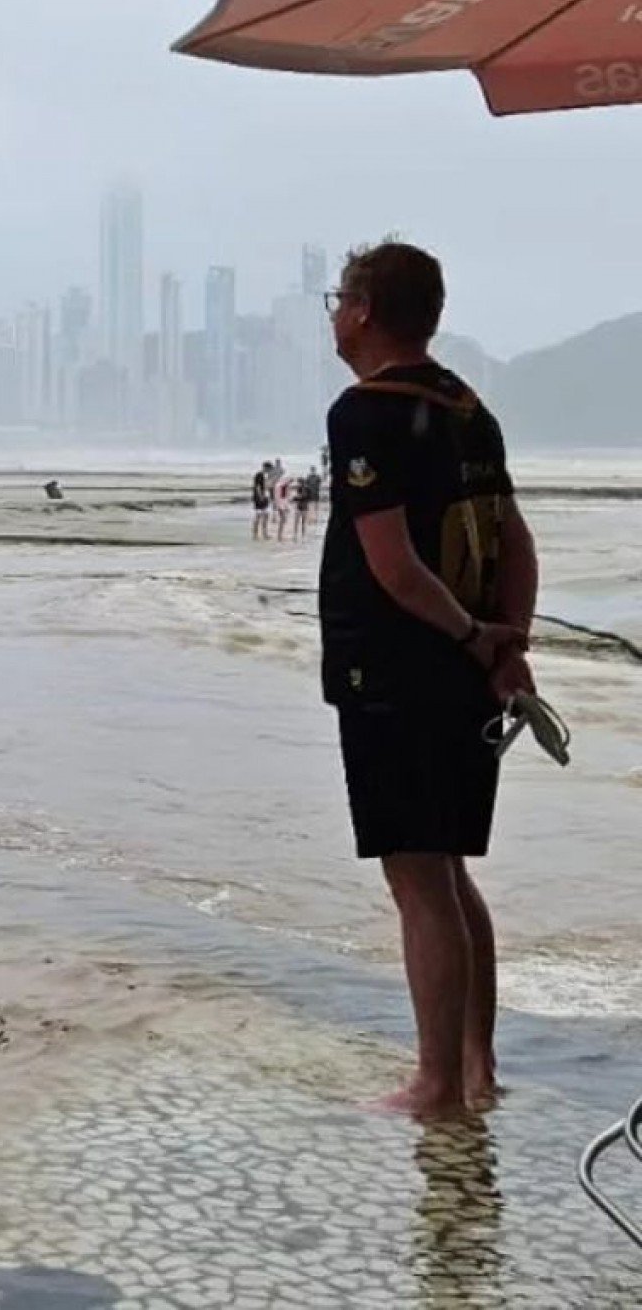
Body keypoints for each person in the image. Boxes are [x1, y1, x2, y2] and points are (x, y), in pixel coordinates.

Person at [321, 242, 538, 1120]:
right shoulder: (467, 405)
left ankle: (436, 1086)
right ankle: (478, 1066)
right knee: (447, 870)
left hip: (396, 673)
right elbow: (515, 539)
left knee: (418, 878)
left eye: (340, 298)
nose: (334, 314)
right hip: (462, 676)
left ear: (366, 312)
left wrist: (471, 633)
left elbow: (393, 564)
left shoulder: (364, 413)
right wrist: (504, 642)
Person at [250, 463, 271, 540]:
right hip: (259, 498)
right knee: (258, 516)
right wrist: (260, 496)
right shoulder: (259, 475)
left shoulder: (265, 476)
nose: (269, 471)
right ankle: (255, 535)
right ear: (265, 467)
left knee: (266, 516)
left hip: (264, 497)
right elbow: (257, 487)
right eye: (268, 469)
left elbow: (265, 486)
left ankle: (264, 534)